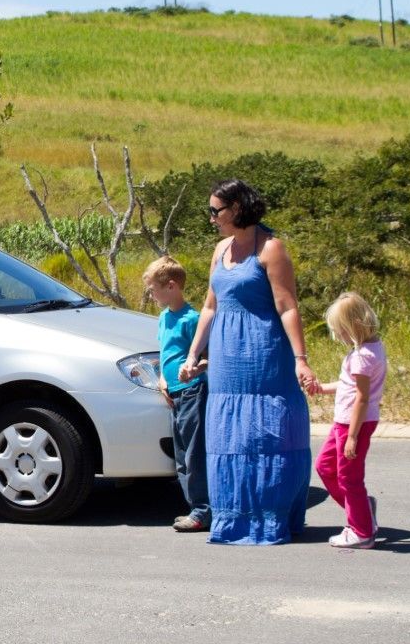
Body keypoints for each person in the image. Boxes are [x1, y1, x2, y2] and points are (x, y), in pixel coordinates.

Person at [179, 179, 316, 545]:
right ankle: (234, 520)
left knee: (264, 434)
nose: (211, 219)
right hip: (226, 359)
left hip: (265, 355)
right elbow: (210, 306)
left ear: (237, 208)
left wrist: (301, 359)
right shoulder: (221, 248)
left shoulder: (271, 249)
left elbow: (287, 307)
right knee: (230, 437)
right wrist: (194, 353)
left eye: (215, 211)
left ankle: (269, 521)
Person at [307, 292, 386, 549]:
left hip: (353, 425)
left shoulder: (363, 357)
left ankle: (362, 531)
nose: (337, 336)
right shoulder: (369, 349)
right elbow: (347, 385)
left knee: (349, 478)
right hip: (345, 422)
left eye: (339, 330)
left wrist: (352, 436)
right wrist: (322, 388)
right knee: (325, 467)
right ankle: (362, 510)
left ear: (352, 326)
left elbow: (362, 398)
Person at [144, 256, 210, 533]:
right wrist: (161, 378)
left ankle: (203, 510)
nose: (151, 293)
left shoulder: (191, 319)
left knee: (194, 454)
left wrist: (193, 369)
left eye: (153, 288)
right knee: (181, 455)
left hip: (192, 391)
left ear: (171, 286)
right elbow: (165, 353)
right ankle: (194, 507)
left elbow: (207, 357)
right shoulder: (164, 317)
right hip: (174, 394)